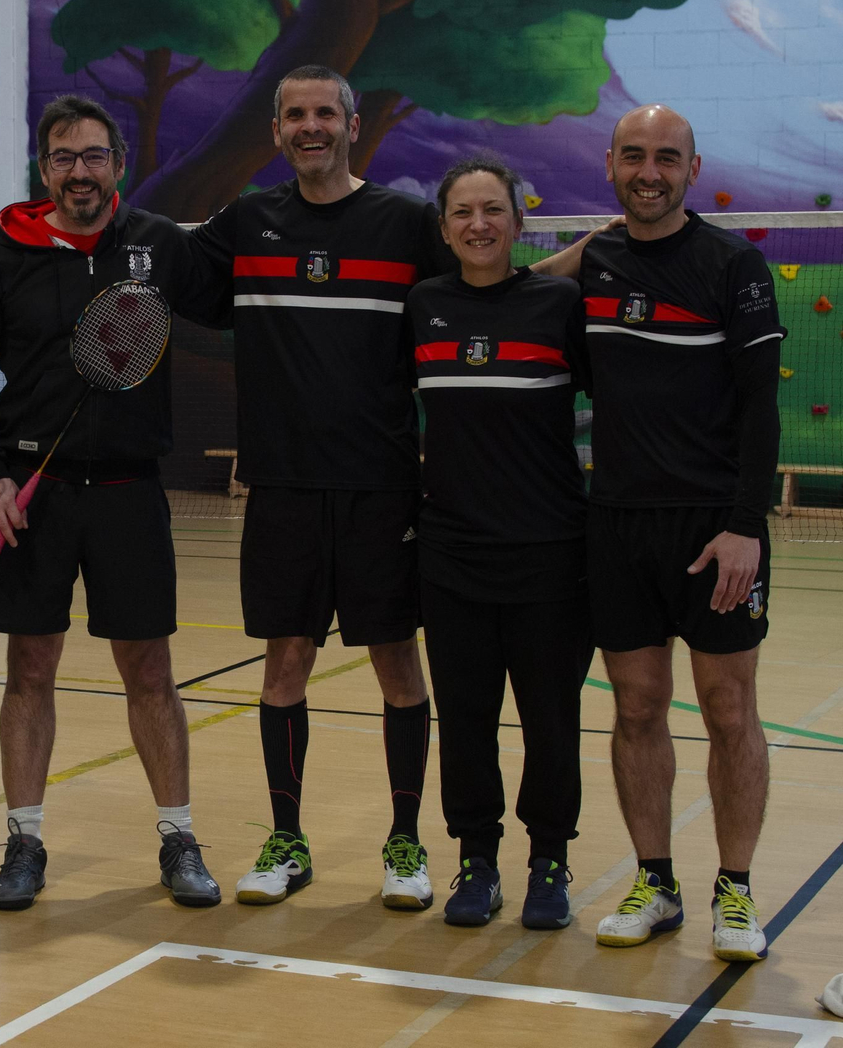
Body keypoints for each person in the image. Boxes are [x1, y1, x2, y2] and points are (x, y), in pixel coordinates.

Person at [0, 94, 228, 910]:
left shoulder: (160, 248)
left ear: (118, 165)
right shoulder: (5, 261)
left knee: (151, 670)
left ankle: (178, 837)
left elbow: (242, 291)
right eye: (64, 157)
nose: (80, 172)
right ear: (44, 169)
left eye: (94, 156)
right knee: (28, 668)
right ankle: (24, 841)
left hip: (131, 493)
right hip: (33, 498)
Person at [190, 66, 454, 908]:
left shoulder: (406, 224)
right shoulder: (247, 223)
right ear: (277, 131)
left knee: (398, 668)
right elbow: (146, 268)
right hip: (284, 489)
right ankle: (286, 839)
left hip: (382, 487)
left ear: (350, 122)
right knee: (285, 665)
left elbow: (488, 297)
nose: (311, 127)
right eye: (295, 115)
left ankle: (406, 844)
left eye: (324, 113)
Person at [570, 105, 783, 962]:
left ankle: (735, 891)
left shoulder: (733, 264)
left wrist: (745, 525)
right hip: (616, 524)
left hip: (712, 532)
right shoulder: (592, 262)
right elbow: (505, 278)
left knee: (730, 710)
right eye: (633, 156)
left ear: (692, 169)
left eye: (666, 158)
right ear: (610, 164)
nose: (648, 171)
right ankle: (654, 883)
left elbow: (762, 406)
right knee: (637, 707)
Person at [405, 157, 592, 929]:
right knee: (467, 722)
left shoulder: (559, 305)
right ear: (445, 227)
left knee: (551, 722)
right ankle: (475, 862)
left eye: (493, 210)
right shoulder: (422, 307)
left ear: (518, 221)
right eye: (462, 212)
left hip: (551, 554)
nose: (478, 224)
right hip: (451, 559)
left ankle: (549, 859)